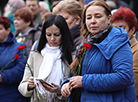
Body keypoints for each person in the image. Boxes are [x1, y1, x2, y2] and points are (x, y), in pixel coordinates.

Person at [61, 0, 137, 102]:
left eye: (98, 16)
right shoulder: (85, 44)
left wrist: (84, 81)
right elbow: (79, 76)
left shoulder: (119, 41)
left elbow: (123, 77)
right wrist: (67, 83)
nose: (93, 21)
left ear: (109, 19)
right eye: (88, 17)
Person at [18, 14, 76, 102]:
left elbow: (76, 87)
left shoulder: (72, 54)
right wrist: (29, 85)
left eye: (56, 35)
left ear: (64, 34)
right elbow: (22, 86)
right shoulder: (36, 54)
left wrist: (60, 91)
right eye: (48, 35)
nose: (52, 39)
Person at [111, 6, 138, 100]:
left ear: (132, 30)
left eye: (122, 28)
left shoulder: (136, 51)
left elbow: (134, 86)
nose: (117, 32)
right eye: (114, 28)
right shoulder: (114, 47)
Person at [0, 16, 29, 102]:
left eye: (0, 29)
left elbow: (21, 69)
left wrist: (2, 77)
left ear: (8, 30)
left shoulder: (19, 47)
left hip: (12, 96)